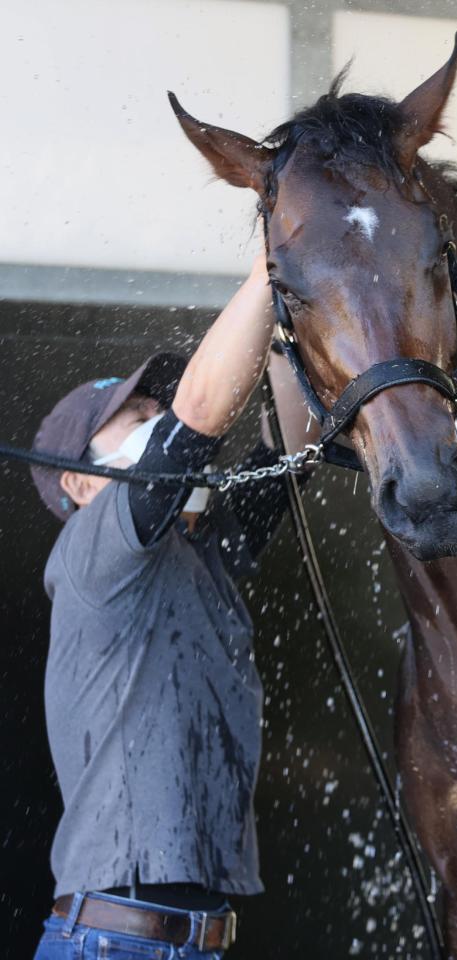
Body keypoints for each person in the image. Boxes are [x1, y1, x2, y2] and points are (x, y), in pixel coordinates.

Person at [29, 252, 315, 958]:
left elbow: (294, 448)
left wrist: (284, 335)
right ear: (80, 482)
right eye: (134, 413)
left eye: (155, 407)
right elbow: (196, 423)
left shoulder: (203, 547)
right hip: (113, 943)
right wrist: (268, 270)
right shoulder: (93, 548)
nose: (154, 417)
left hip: (189, 943)